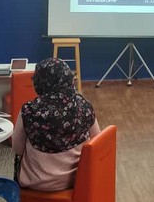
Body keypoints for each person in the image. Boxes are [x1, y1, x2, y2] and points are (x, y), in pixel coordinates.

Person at [12, 58, 100, 191]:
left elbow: (17, 149)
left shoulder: (28, 110)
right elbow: (97, 142)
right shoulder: (84, 106)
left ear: (39, 82)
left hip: (36, 182)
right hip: (76, 180)